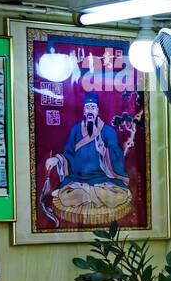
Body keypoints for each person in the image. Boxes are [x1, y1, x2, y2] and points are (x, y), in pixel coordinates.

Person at [43, 89, 133, 225]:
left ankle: (89, 194)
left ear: (97, 111)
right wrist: (57, 159)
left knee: (118, 195)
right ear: (84, 111)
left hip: (104, 181)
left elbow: (117, 155)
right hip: (79, 181)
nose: (90, 110)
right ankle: (91, 194)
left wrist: (104, 152)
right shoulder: (75, 130)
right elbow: (69, 153)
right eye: (87, 108)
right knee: (66, 197)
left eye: (93, 107)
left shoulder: (108, 131)